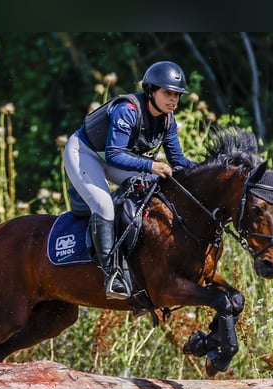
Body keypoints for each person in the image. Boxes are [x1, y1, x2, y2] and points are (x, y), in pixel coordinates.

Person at [63, 60, 195, 300]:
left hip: (114, 158)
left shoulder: (167, 120)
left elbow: (178, 161)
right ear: (150, 90)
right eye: (168, 93)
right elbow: (113, 155)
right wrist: (150, 165)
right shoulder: (128, 110)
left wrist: (209, 170)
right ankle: (112, 275)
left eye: (177, 94)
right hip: (85, 153)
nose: (173, 99)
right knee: (103, 205)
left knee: (155, 187)